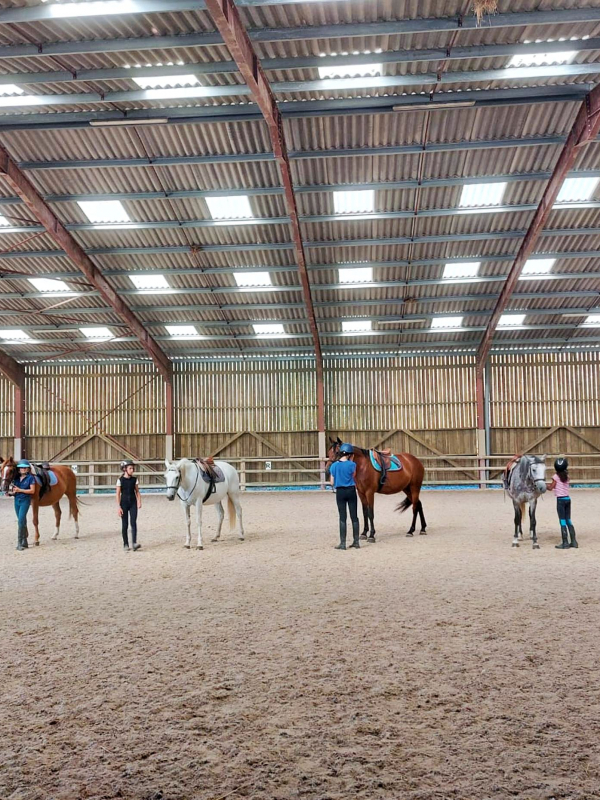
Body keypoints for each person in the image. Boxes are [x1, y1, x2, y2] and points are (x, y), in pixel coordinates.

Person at [329, 443, 360, 551]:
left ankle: (343, 544)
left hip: (340, 492)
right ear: (350, 455)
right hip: (351, 491)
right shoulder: (353, 465)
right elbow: (354, 476)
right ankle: (356, 542)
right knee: (354, 517)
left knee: (342, 518)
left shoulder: (334, 466)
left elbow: (332, 482)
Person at [548, 456, 577, 550]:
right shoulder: (567, 476)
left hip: (560, 500)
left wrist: (544, 486)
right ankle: (573, 541)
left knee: (562, 521)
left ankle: (565, 542)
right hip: (568, 499)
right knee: (568, 519)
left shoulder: (555, 477)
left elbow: (551, 487)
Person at [8, 459, 36, 551]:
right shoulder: (16, 479)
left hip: (25, 501)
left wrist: (20, 490)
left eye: (25, 468)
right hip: (17, 501)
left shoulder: (31, 478)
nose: (23, 469)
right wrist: (11, 493)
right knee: (22, 521)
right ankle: (25, 541)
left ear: (27, 469)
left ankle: (19, 543)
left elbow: (32, 491)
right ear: (19, 469)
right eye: (21, 468)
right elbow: (14, 490)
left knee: (20, 521)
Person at [116, 460, 142, 552]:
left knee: (133, 522)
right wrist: (119, 507)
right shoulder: (120, 480)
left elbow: (137, 491)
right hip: (124, 504)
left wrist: (139, 501)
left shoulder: (135, 479)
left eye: (133, 468)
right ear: (124, 469)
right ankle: (126, 544)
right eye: (130, 468)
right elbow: (118, 494)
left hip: (133, 503)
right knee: (125, 524)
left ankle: (134, 543)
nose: (132, 470)